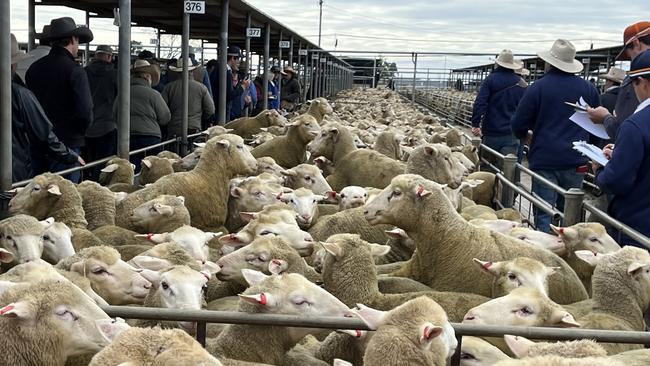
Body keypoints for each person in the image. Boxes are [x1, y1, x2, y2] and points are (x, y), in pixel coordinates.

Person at [510, 39, 600, 233]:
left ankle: (545, 252)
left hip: (545, 158)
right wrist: (591, 150)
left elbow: (518, 123)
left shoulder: (537, 88)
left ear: (549, 62)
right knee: (570, 210)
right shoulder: (589, 89)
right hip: (576, 159)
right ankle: (567, 252)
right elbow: (596, 126)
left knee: (544, 211)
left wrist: (524, 136)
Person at [25, 17, 94, 183]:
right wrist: (80, 132)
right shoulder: (75, 71)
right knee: (64, 198)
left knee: (38, 197)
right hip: (67, 144)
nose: (78, 47)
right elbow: (85, 112)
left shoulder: (34, 69)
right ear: (72, 40)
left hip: (37, 143)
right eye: (77, 42)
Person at [593, 50, 650, 248]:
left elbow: (617, 181)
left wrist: (600, 170)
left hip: (638, 228)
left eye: (632, 83)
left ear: (642, 82)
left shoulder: (636, 125)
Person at [9, 33, 84, 183]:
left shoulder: (34, 70)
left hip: (29, 155)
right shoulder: (18, 93)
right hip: (13, 169)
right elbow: (43, 134)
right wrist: (70, 155)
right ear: (12, 65)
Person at [587, 21, 650, 140]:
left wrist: (605, 117)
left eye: (630, 56)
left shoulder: (635, 80)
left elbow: (624, 130)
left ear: (636, 43)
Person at [470, 49, 526, 158]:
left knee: (488, 168)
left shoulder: (490, 80)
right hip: (512, 133)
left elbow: (480, 103)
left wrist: (475, 124)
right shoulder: (522, 83)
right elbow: (526, 109)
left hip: (492, 132)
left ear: (497, 63)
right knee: (509, 167)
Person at [119, 59, 170, 172]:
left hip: (128, 137)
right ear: (147, 77)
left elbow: (115, 113)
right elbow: (165, 117)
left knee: (132, 171)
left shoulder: (123, 93)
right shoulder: (154, 94)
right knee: (153, 172)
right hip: (151, 137)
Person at [84, 45, 118, 180]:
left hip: (86, 125)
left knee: (87, 163)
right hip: (108, 124)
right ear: (109, 56)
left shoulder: (83, 72)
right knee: (105, 163)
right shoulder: (115, 74)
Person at [162, 58, 215, 137]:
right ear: (192, 71)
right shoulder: (201, 88)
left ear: (177, 72)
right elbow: (210, 110)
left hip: (174, 129)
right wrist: (200, 117)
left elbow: (163, 111)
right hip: (194, 128)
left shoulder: (168, 88)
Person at [209, 46, 248, 123]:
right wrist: (242, 87)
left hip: (218, 110)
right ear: (233, 58)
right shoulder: (224, 71)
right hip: (220, 111)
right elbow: (228, 95)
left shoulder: (221, 69)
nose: (239, 62)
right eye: (238, 59)